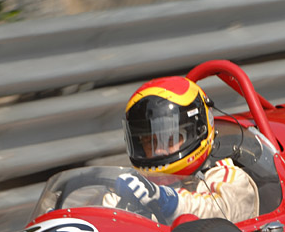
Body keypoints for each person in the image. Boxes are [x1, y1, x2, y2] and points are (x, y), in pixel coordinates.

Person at [106, 76, 259, 223]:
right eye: (149, 142)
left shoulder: (226, 176)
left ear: (199, 131)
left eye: (171, 139)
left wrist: (167, 200)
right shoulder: (138, 185)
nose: (159, 151)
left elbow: (225, 211)